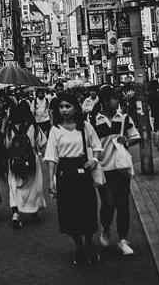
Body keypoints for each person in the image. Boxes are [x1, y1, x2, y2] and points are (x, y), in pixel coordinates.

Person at [45, 91, 103, 266]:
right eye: (61, 107)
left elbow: (97, 146)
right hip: (65, 174)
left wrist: (94, 160)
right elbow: (51, 157)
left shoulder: (85, 127)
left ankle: (89, 242)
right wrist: (51, 181)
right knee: (70, 211)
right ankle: (79, 246)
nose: (64, 110)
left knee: (88, 207)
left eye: (67, 106)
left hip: (83, 171)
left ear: (75, 108)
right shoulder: (55, 130)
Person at [91, 86, 140, 256]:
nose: (117, 101)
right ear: (104, 101)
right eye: (113, 98)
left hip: (121, 168)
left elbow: (135, 137)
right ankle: (105, 228)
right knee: (108, 203)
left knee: (123, 204)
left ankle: (122, 239)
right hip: (103, 168)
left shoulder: (124, 118)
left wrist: (126, 140)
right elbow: (89, 143)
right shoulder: (93, 120)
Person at [4, 100, 47, 229]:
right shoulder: (33, 127)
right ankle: (33, 211)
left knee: (14, 187)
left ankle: (16, 213)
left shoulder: (10, 127)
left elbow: (6, 145)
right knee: (33, 187)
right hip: (31, 161)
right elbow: (42, 144)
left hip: (14, 162)